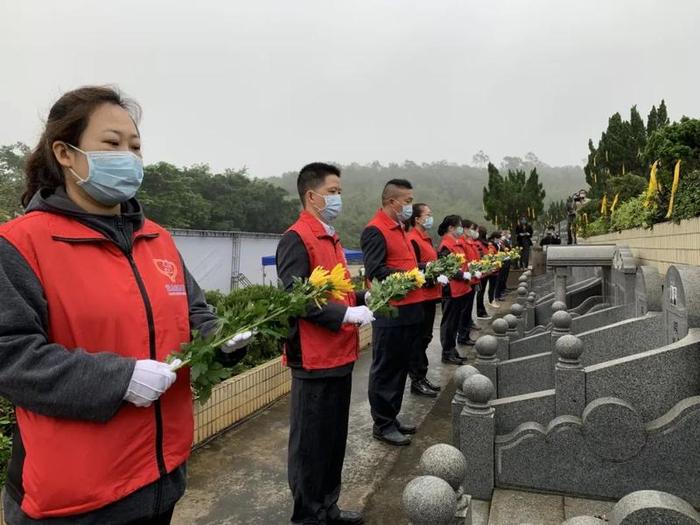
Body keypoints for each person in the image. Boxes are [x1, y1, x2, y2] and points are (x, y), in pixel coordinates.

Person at [0, 86, 253, 524]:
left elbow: (194, 313)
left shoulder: (157, 238)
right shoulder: (22, 244)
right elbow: (12, 356)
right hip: (76, 497)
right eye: (112, 144)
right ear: (65, 152)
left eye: (135, 147)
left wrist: (219, 336)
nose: (129, 157)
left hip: (160, 476)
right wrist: (120, 379)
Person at [276, 163, 371, 525]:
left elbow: (339, 293)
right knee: (310, 448)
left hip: (339, 354)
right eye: (333, 192)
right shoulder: (296, 239)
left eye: (340, 193)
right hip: (313, 358)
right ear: (311, 196)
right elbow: (296, 297)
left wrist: (362, 298)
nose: (338, 199)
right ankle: (307, 516)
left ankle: (327, 507)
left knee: (333, 441)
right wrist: (344, 316)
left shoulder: (331, 239)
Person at [361, 179, 423, 447]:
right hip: (391, 312)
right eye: (407, 201)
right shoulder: (375, 230)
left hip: (409, 310)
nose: (409, 206)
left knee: (399, 367)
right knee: (386, 368)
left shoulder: (398, 228)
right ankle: (382, 424)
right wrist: (410, 275)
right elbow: (376, 270)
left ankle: (392, 416)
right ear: (391, 201)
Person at [406, 204, 448, 397]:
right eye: (428, 215)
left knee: (426, 337)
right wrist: (430, 267)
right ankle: (417, 379)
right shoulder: (413, 239)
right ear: (417, 219)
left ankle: (421, 376)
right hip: (421, 296)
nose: (431, 218)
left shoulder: (425, 239)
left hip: (431, 294)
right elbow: (413, 267)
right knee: (418, 339)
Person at [436, 215, 472, 365]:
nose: (460, 229)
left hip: (460, 288)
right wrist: (462, 274)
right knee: (449, 323)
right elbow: (446, 267)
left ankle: (452, 350)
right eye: (458, 226)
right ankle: (447, 352)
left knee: (455, 322)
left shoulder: (455, 243)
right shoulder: (446, 245)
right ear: (451, 228)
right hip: (451, 289)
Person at [456, 219, 482, 345]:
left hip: (473, 279)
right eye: (471, 228)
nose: (472, 231)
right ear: (465, 229)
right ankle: (462, 336)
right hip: (467, 279)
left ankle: (465, 335)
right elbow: (464, 262)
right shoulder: (462, 242)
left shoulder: (470, 242)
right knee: (464, 310)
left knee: (468, 309)